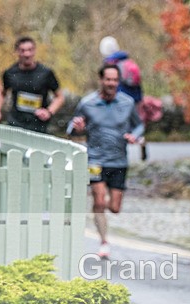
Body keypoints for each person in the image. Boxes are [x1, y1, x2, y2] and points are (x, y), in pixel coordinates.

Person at [68, 64, 144, 259]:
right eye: (108, 79)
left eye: (115, 80)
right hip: (95, 159)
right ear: (101, 80)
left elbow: (139, 126)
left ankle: (105, 212)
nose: (111, 83)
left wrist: (134, 136)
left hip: (119, 160)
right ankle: (103, 241)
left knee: (115, 208)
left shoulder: (127, 103)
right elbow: (72, 127)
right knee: (99, 201)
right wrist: (77, 127)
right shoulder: (87, 103)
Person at [0, 36, 64, 133]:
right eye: (23, 50)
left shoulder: (46, 73)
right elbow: (1, 93)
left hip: (38, 125)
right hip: (15, 123)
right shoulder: (10, 73)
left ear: (34, 51)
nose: (27, 54)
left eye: (30, 50)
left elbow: (60, 97)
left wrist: (49, 111)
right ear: (17, 52)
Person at [99, 36, 149, 160]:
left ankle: (116, 151)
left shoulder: (112, 63)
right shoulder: (127, 60)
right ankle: (140, 139)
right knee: (134, 124)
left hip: (121, 98)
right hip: (135, 98)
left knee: (119, 125)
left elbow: (114, 83)